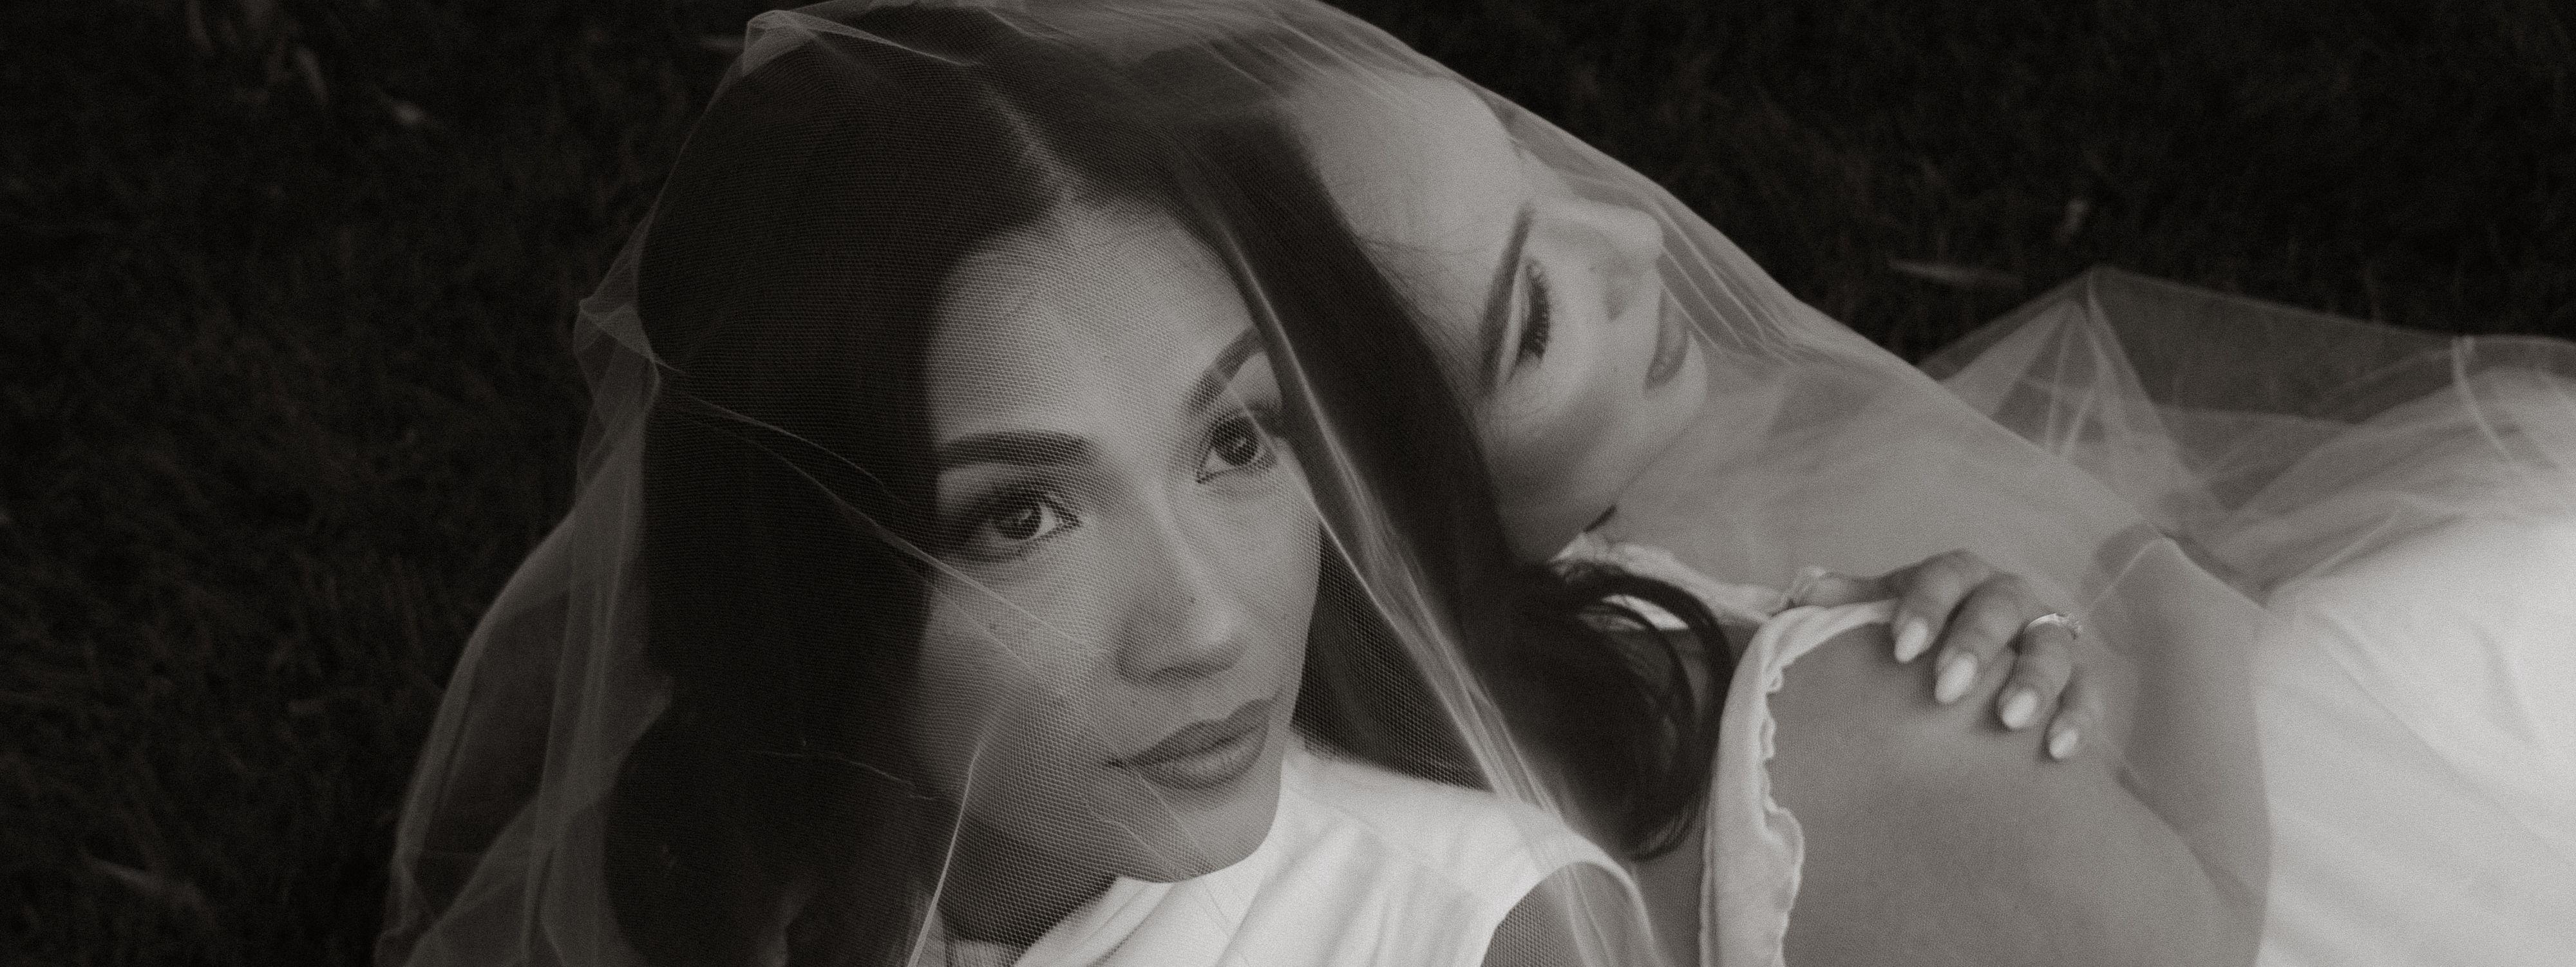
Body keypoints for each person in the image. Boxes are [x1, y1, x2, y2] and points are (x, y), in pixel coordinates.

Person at [380, 8, 1712, 964]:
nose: (1205, 626)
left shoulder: (1478, 933)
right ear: (812, 572)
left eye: (1236, 441)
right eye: (1020, 516)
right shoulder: (708, 881)